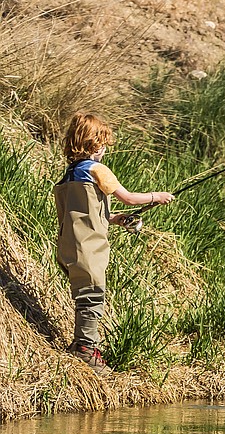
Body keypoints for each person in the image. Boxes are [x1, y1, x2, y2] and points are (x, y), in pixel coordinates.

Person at [54, 112, 175, 373]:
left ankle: (80, 345)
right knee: (92, 295)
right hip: (89, 246)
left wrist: (117, 219)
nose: (105, 149)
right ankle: (85, 350)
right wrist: (158, 196)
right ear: (93, 143)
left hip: (68, 246)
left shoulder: (69, 175)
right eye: (103, 144)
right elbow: (129, 197)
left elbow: (87, 212)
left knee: (83, 294)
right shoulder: (97, 169)